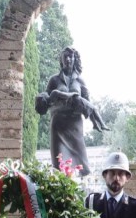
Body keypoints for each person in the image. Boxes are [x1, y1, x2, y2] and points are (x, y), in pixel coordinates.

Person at [35, 47, 107, 176]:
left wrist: (93, 116)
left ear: (75, 59)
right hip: (58, 124)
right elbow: (47, 96)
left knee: (81, 163)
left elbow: (87, 101)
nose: (68, 59)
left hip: (75, 124)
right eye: (65, 56)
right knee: (59, 163)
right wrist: (43, 97)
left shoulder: (80, 81)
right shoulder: (54, 80)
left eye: (71, 56)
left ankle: (80, 187)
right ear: (61, 60)